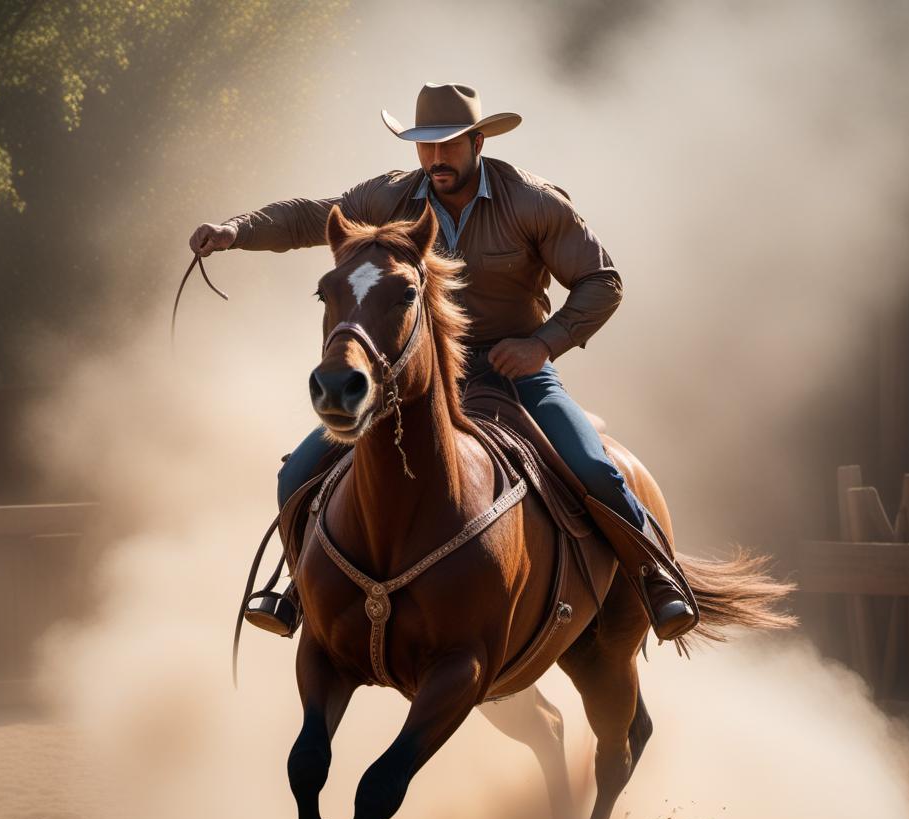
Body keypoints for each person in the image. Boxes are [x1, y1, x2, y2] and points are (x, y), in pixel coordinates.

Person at [190, 82, 696, 642]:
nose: (435, 158)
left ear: (478, 142)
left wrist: (542, 346)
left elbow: (602, 281)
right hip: (417, 370)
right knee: (296, 474)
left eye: (449, 144)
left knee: (592, 465)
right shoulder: (391, 197)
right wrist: (235, 230)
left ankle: (655, 576)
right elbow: (311, 217)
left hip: (515, 369)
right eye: (424, 145)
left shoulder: (532, 203)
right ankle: (298, 590)